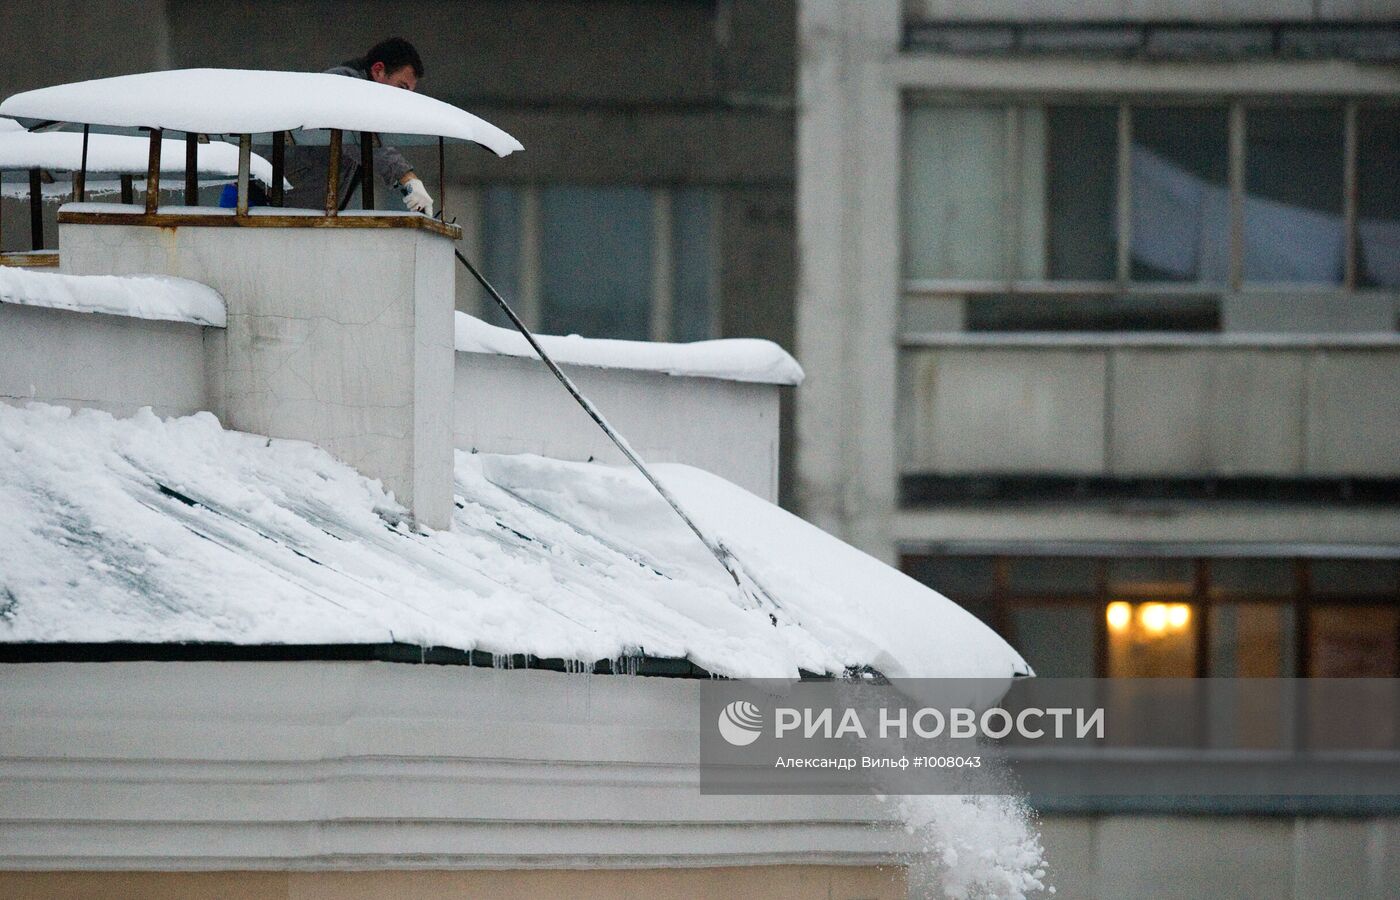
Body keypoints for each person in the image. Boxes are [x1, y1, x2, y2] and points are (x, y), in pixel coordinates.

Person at [280, 37, 435, 215]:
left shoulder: (364, 107)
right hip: (264, 200)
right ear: (378, 70)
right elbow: (353, 134)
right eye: (401, 88)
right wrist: (407, 177)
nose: (404, 100)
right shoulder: (338, 86)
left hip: (291, 212)